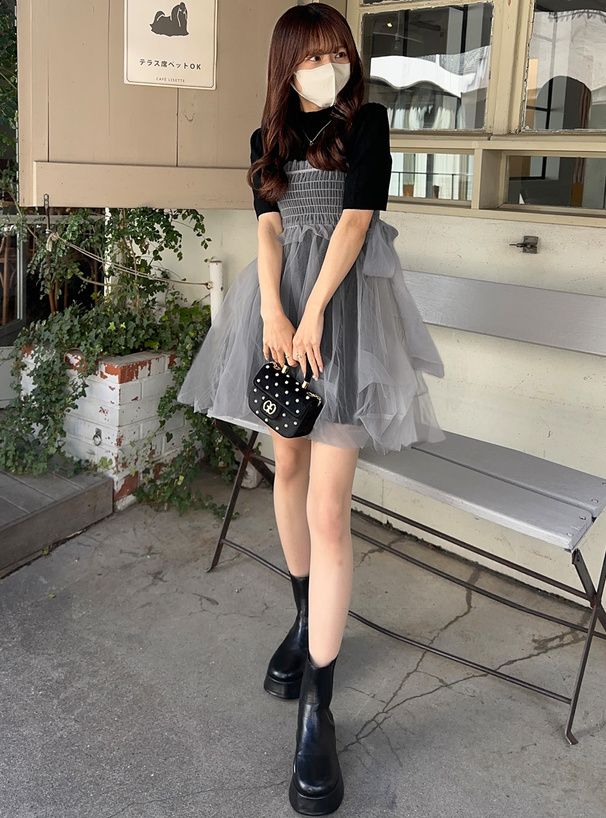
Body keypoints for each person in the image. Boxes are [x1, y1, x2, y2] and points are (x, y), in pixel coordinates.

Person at [178, 4, 444, 814]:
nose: (329, 67)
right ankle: (305, 620)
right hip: (281, 315)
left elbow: (357, 220)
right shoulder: (266, 139)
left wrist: (316, 311)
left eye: (338, 53)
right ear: (286, 65)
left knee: (329, 510)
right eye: (312, 56)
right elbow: (266, 231)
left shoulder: (367, 124)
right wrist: (274, 313)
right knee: (285, 467)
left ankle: (318, 710)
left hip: (343, 317)